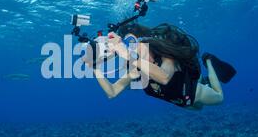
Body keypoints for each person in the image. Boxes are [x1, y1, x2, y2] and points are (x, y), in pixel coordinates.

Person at [87, 23, 236, 110]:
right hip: (181, 102)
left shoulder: (167, 58)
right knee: (198, 109)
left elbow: (164, 77)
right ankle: (203, 80)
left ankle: (208, 60)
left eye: (135, 46)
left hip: (192, 93)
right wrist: (94, 67)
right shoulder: (135, 68)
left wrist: (128, 55)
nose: (133, 50)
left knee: (219, 98)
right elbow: (112, 92)